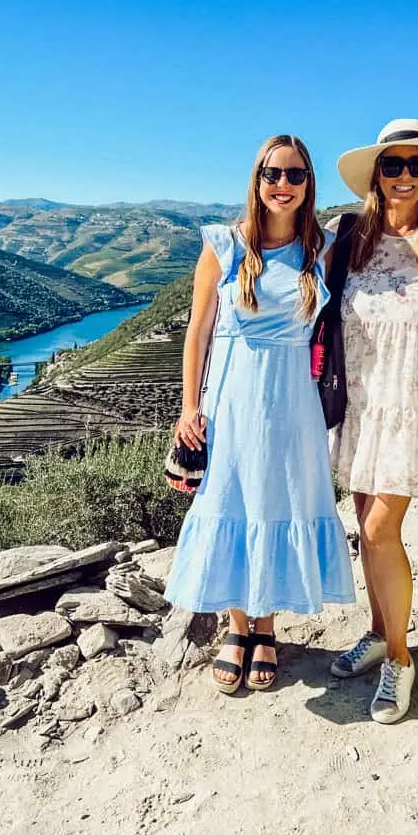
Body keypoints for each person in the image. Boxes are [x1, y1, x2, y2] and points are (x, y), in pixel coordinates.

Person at [165, 134, 355, 694]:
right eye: (273, 174)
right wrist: (188, 406)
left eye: (295, 176)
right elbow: (197, 331)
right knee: (232, 498)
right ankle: (237, 626)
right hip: (232, 394)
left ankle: (267, 626)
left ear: (309, 184)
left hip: (293, 398)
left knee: (280, 500)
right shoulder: (224, 244)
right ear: (256, 179)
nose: (283, 185)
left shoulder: (320, 247)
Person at [327, 119, 418, 723]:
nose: (407, 175)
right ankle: (376, 628)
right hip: (362, 407)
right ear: (376, 175)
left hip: (416, 410)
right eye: (395, 165)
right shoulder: (350, 239)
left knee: (383, 531)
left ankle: (401, 659)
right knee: (367, 529)